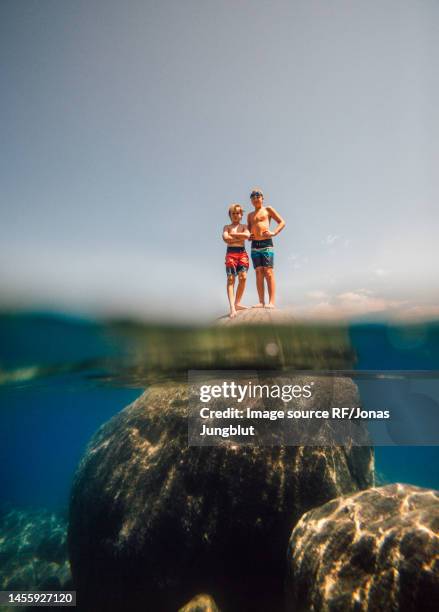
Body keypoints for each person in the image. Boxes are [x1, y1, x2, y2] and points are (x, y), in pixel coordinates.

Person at [247, 189, 286, 308]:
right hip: (255, 245)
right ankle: (261, 301)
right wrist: (249, 235)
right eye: (253, 196)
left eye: (258, 195)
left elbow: (282, 222)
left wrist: (274, 232)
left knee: (268, 272)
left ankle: (271, 302)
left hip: (266, 243)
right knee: (258, 272)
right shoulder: (250, 215)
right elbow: (249, 229)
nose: (255, 198)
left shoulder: (267, 209)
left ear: (262, 198)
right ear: (251, 200)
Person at [222, 204, 250, 318]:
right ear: (230, 215)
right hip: (231, 253)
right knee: (231, 279)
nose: (235, 215)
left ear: (241, 215)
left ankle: (237, 303)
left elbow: (247, 235)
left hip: (242, 252)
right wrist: (239, 237)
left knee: (243, 277)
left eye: (237, 213)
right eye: (233, 213)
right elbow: (225, 238)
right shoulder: (226, 227)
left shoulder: (244, 226)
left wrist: (233, 235)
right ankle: (232, 307)